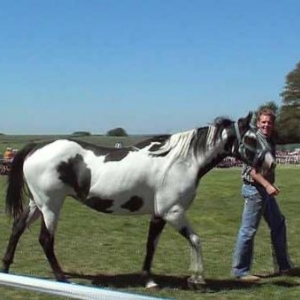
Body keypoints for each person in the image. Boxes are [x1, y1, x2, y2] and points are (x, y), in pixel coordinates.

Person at [232, 108, 296, 282]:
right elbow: (250, 170)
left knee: (278, 224)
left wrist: (268, 185)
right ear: (258, 123)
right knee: (248, 230)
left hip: (264, 190)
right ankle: (240, 271)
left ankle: (283, 266)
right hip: (255, 190)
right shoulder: (252, 139)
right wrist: (268, 185)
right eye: (264, 122)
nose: (267, 125)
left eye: (270, 122)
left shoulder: (269, 140)